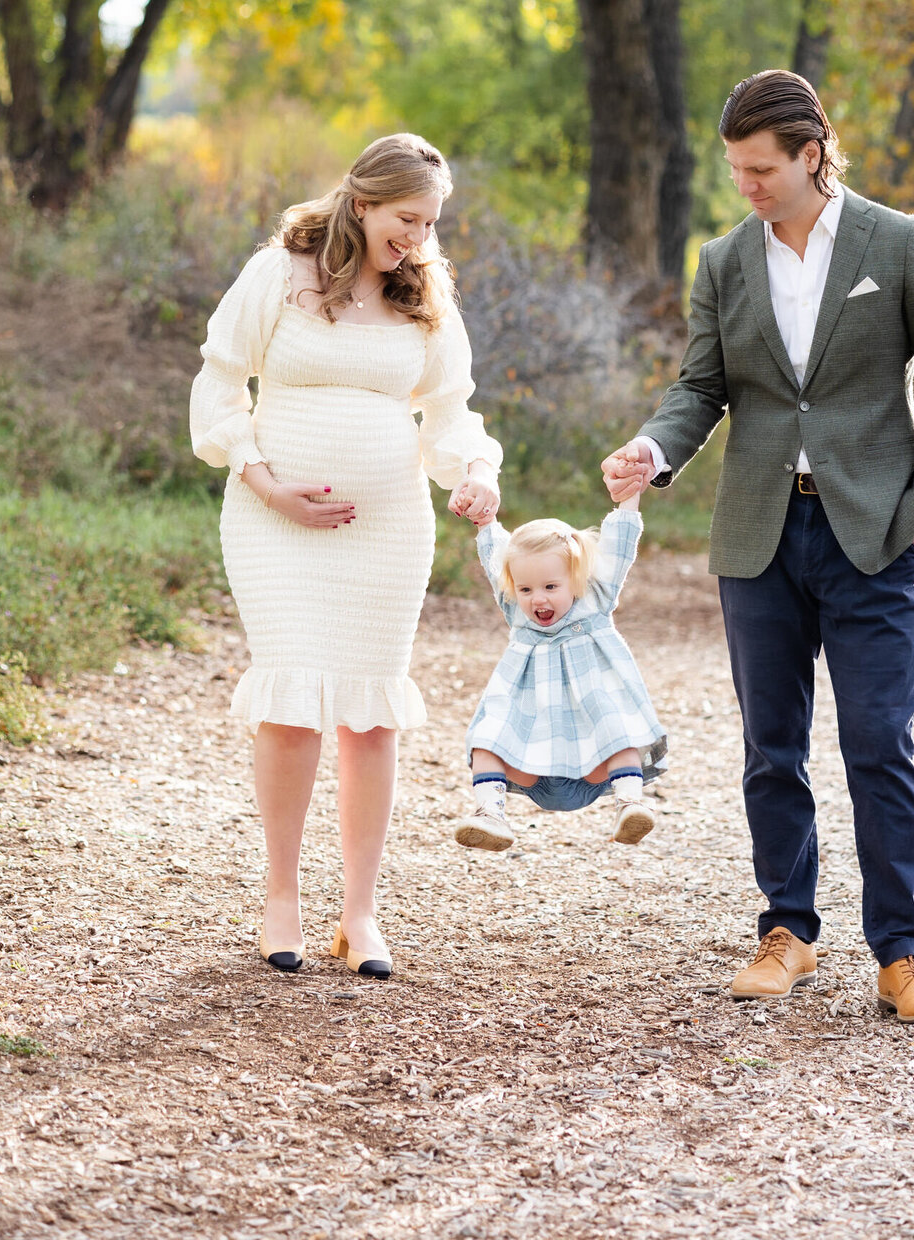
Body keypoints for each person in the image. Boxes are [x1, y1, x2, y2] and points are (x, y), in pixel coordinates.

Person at [602, 70, 914, 1025]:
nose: (749, 187)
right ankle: (789, 933)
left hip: (872, 534)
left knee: (878, 742)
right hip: (758, 536)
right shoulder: (725, 261)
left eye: (762, 168)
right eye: (736, 170)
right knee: (772, 749)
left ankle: (903, 955)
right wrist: (650, 450)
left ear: (813, 153)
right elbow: (701, 389)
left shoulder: (899, 242)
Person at [190, 134, 501, 979]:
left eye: (432, 223)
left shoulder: (424, 290)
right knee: (291, 704)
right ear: (362, 203)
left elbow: (450, 411)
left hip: (388, 527)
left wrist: (473, 471)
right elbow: (220, 386)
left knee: (370, 716)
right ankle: (281, 895)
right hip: (274, 521)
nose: (420, 238)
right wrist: (265, 483)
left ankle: (359, 913)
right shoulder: (280, 273)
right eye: (408, 219)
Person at [455, 491, 667, 852]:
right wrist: (485, 522)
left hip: (594, 762)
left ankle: (629, 802)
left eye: (551, 587)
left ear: (577, 578)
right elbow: (495, 560)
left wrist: (629, 500)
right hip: (529, 761)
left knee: (618, 726)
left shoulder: (595, 600)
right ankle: (490, 813)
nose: (538, 599)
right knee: (487, 738)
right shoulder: (517, 611)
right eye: (525, 589)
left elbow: (618, 550)